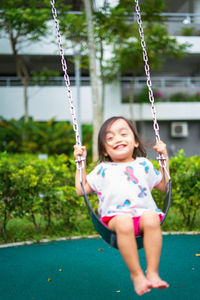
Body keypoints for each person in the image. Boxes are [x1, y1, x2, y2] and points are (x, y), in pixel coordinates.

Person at [74, 116, 170, 296]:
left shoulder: (144, 164)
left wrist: (164, 158)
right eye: (110, 138)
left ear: (135, 141)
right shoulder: (103, 169)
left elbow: (164, 186)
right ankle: (137, 275)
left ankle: (152, 272)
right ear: (104, 149)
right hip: (115, 218)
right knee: (124, 221)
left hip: (143, 216)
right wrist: (81, 162)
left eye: (123, 134)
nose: (117, 139)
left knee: (151, 217)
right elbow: (81, 189)